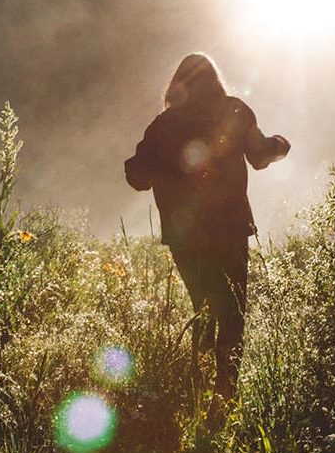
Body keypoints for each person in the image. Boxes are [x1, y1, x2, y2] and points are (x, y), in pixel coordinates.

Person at [124, 53, 290, 400]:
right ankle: (224, 396)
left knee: (202, 307)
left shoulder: (163, 125)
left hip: (184, 234)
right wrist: (280, 146)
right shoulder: (234, 110)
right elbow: (260, 156)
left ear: (177, 84)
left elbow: (137, 177)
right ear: (215, 80)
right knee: (232, 312)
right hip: (229, 227)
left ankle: (197, 394)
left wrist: (158, 164)